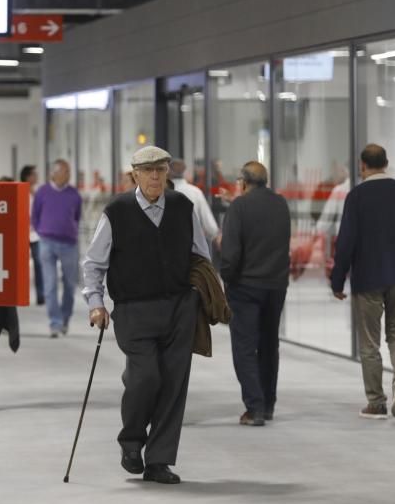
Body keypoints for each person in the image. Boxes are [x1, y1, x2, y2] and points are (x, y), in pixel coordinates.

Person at [82, 145, 210, 485]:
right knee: (145, 378)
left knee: (173, 386)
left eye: (161, 169)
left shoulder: (184, 207)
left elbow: (201, 255)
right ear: (135, 174)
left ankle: (159, 461)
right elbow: (94, 263)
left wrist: (200, 294)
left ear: (168, 173)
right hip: (134, 311)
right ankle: (132, 441)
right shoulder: (117, 211)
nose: (155, 176)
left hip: (179, 308)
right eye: (148, 170)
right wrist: (96, 303)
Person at [330, 144, 395, 420]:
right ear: (386, 163)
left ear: (363, 166)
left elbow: (346, 243)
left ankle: (376, 401)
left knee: (369, 343)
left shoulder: (357, 196)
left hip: (368, 279)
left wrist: (337, 281)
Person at [219, 161, 291, 427]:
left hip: (246, 287)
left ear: (243, 183)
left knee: (245, 347)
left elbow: (231, 252)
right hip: (275, 286)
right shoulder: (281, 204)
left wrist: (226, 278)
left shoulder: (239, 207)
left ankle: (254, 407)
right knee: (270, 345)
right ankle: (268, 404)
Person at [31, 159, 82, 337]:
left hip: (69, 243)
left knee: (70, 284)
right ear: (54, 173)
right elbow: (34, 216)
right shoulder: (42, 192)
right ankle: (55, 323)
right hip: (47, 242)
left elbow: (77, 216)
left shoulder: (74, 194)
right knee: (50, 285)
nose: (67, 175)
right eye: (64, 171)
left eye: (68, 172)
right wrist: (42, 231)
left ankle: (65, 318)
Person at [169, 158, 219, 243]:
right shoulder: (195, 192)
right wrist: (216, 236)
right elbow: (210, 227)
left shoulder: (161, 193)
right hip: (192, 245)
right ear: (185, 173)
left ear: (168, 173)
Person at [19, 165, 45, 306]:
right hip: (23, 232)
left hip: (36, 233)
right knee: (21, 265)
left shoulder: (38, 192)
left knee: (39, 264)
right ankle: (22, 295)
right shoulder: (21, 191)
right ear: (27, 176)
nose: (36, 177)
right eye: (34, 174)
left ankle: (40, 295)